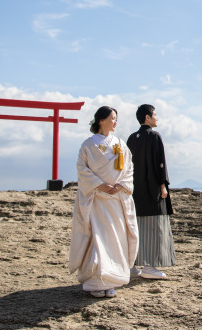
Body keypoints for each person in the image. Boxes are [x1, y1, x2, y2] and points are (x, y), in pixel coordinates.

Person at [69, 106, 139, 298]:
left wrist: (121, 185)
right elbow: (82, 169)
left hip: (116, 199)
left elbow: (129, 168)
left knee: (115, 238)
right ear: (101, 120)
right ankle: (95, 281)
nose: (115, 122)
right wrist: (100, 185)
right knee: (97, 237)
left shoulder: (120, 143)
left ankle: (112, 280)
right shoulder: (88, 144)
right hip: (96, 199)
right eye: (112, 118)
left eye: (116, 118)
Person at [127, 104, 176, 279]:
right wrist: (163, 185)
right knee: (154, 228)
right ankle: (149, 267)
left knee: (136, 227)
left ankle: (132, 266)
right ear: (147, 117)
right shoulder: (154, 136)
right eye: (155, 114)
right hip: (152, 189)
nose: (157, 118)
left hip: (134, 189)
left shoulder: (132, 138)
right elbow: (159, 163)